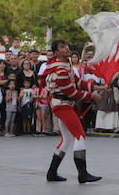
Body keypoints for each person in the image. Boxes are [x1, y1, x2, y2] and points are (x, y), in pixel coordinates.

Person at [44, 37, 104, 185]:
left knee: (67, 139)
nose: (66, 48)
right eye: (63, 46)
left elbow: (77, 82)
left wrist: (97, 87)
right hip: (62, 104)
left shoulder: (66, 64)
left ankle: (51, 173)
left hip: (63, 103)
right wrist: (92, 96)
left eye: (66, 45)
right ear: (57, 52)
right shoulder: (60, 69)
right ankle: (82, 174)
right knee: (80, 136)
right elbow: (72, 92)